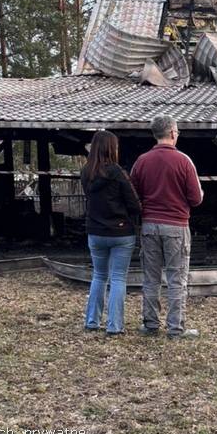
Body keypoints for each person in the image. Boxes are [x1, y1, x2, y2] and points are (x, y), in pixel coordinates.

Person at [130, 115, 204, 339]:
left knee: (151, 278)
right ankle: (175, 328)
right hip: (176, 227)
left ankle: (150, 324)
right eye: (178, 132)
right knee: (176, 279)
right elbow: (195, 198)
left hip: (150, 226)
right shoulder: (184, 161)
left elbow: (134, 195)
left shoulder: (141, 161)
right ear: (172, 133)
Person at [80, 130, 142, 335]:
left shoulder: (85, 172)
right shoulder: (118, 173)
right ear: (111, 148)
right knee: (117, 278)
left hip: (95, 232)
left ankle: (92, 321)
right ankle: (115, 325)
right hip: (121, 233)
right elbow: (134, 204)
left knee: (98, 276)